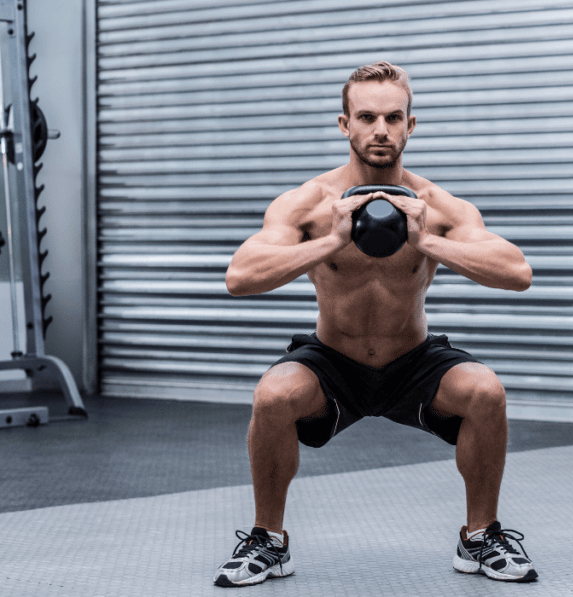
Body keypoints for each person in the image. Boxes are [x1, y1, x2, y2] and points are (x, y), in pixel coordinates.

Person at [214, 61, 538, 587]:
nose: (381, 130)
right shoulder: (310, 204)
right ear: (345, 124)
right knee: (272, 396)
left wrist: (428, 242)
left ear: (412, 125)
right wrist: (330, 243)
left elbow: (518, 273)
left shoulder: (435, 205)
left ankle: (479, 536)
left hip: (411, 360)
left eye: (393, 117)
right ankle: (268, 541)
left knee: (486, 392)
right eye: (366, 117)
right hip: (332, 360)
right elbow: (239, 276)